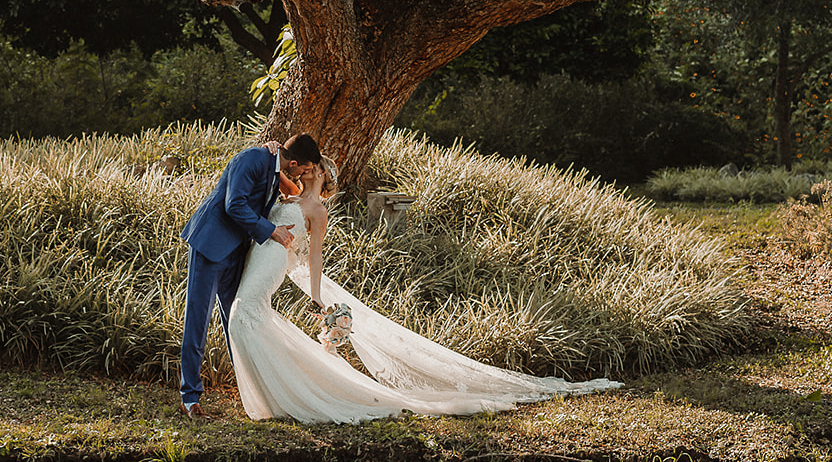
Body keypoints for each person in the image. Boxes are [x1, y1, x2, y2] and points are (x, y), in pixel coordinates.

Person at [226, 158, 624, 424]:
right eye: (306, 170)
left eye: (315, 172)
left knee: (247, 314)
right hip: (261, 257)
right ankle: (275, 393)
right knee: (248, 316)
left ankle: (285, 397)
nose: (309, 175)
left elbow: (314, 257)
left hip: (275, 263)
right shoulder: (283, 195)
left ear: (322, 177)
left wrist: (316, 294)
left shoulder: (317, 210)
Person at [179, 132, 321, 419]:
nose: (303, 175)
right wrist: (272, 231)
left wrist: (277, 150)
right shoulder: (252, 159)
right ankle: (190, 397)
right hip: (212, 245)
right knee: (198, 319)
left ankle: (250, 389)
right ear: (293, 163)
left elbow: (291, 190)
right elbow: (235, 205)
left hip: (238, 252)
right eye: (303, 169)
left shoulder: (275, 165)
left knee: (238, 320)